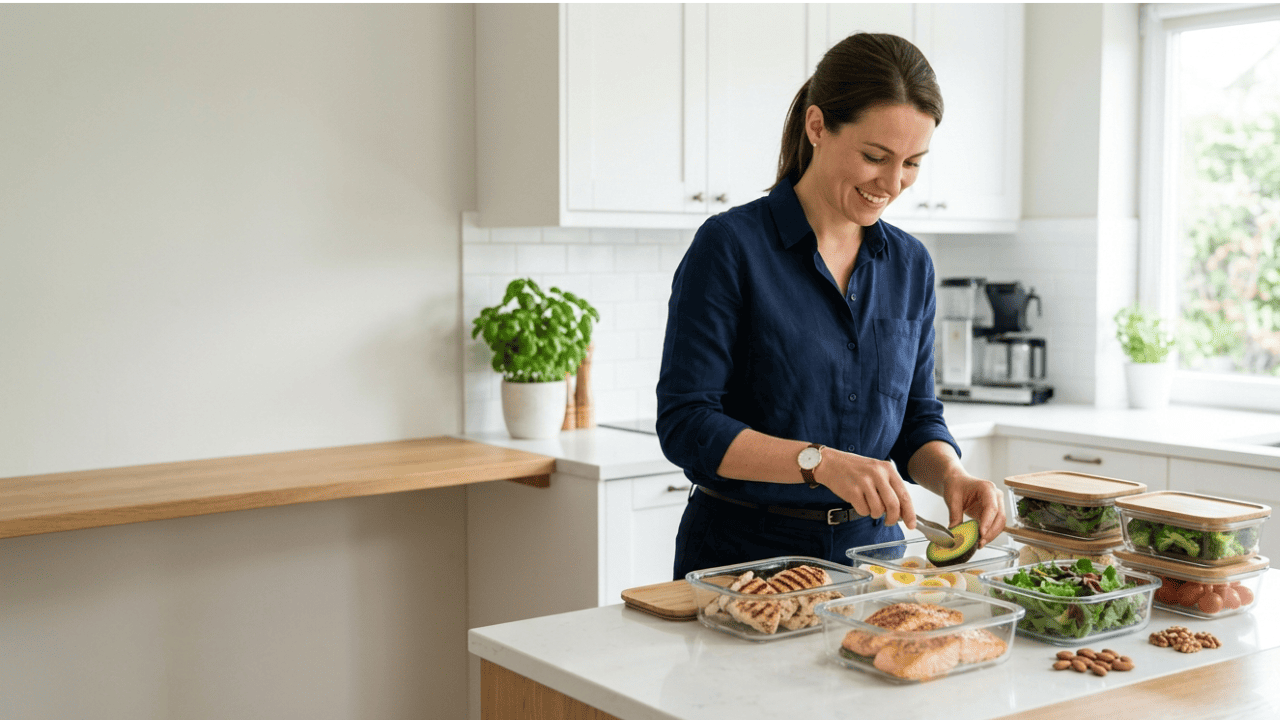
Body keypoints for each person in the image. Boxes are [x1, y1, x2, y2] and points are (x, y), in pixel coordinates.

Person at [656, 33, 1005, 580]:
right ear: (817, 127)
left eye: (912, 163)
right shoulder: (730, 246)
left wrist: (952, 477)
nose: (892, 184)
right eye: (875, 157)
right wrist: (818, 462)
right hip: (743, 562)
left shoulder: (910, 265)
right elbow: (686, 424)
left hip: (874, 562)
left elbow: (915, 419)